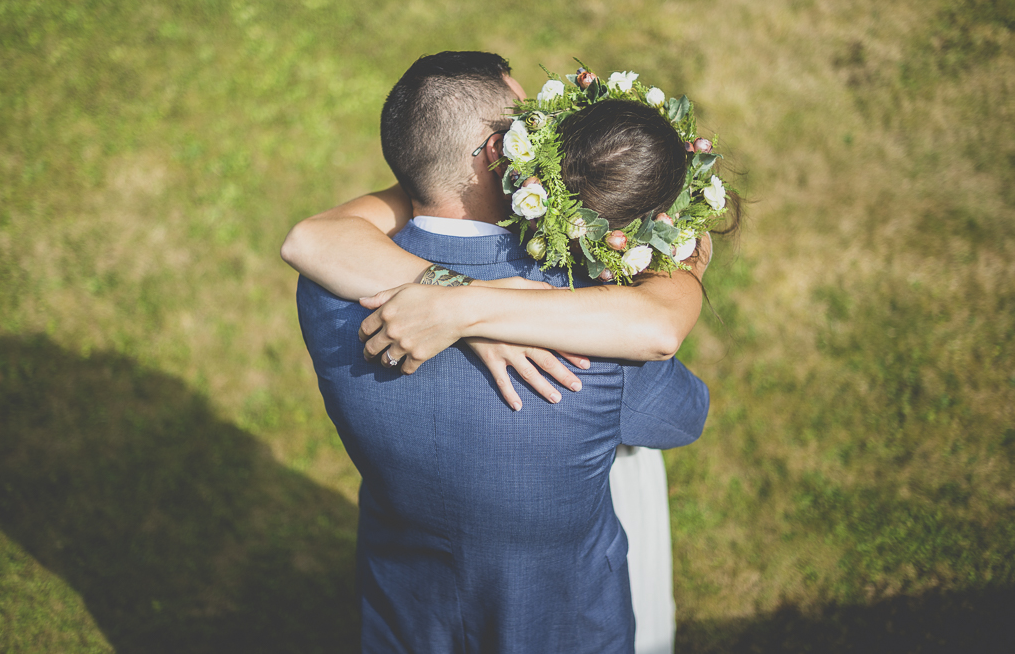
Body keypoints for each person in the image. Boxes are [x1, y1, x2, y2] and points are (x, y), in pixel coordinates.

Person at [286, 51, 711, 653]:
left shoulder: (327, 286)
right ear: (497, 152)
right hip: (556, 625)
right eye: (529, 120)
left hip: (408, 602)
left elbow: (314, 235)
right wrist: (683, 264)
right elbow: (682, 418)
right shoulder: (587, 320)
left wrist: (450, 278)